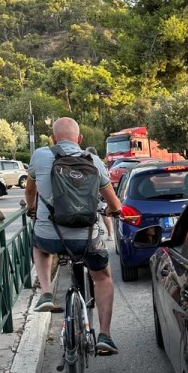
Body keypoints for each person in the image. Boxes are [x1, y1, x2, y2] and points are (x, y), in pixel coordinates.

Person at [25, 117, 122, 355]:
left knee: (39, 245)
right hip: (87, 239)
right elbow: (114, 204)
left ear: (53, 139)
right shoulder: (94, 161)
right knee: (102, 277)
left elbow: (30, 190)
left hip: (50, 235)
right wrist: (113, 212)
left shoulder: (39, 155)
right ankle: (105, 335)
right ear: (79, 140)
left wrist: (31, 208)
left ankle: (46, 292)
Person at [85, 146, 114, 241]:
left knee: (96, 213)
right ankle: (110, 234)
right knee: (104, 212)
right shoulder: (102, 163)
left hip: (97, 191)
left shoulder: (93, 162)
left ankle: (98, 234)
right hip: (103, 191)